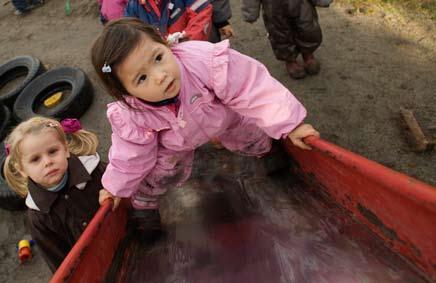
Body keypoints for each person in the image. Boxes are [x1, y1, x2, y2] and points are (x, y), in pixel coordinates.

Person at [91, 18, 319, 217]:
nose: (160, 76)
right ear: (127, 93)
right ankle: (146, 208)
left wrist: (291, 123)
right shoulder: (133, 113)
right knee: (160, 172)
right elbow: (130, 152)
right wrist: (115, 187)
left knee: (250, 131)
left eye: (158, 58)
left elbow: (251, 86)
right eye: (142, 78)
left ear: (165, 44)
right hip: (174, 143)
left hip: (221, 118)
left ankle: (265, 151)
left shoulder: (203, 61)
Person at [2, 117, 105, 272]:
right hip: (97, 268)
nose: (47, 162)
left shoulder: (96, 171)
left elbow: (132, 197)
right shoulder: (38, 217)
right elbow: (61, 265)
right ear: (22, 169)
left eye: (52, 151)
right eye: (35, 159)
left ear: (65, 149)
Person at [241, 0, 326, 79]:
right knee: (280, 35)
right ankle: (290, 60)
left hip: (301, 3)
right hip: (274, 7)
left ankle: (308, 54)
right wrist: (250, 12)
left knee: (307, 28)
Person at [124, 0, 213, 41]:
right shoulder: (133, 6)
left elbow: (202, 11)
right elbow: (131, 37)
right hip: (162, 63)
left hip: (193, 54)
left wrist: (187, 41)